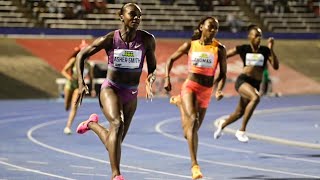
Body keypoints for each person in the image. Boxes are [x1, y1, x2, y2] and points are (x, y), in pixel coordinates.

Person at [74, 3, 157, 180]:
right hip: (111, 88)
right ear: (121, 16)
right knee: (117, 124)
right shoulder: (111, 39)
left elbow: (152, 66)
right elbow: (81, 55)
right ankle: (116, 175)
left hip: (131, 93)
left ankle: (91, 124)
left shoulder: (147, 40)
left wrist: (150, 78)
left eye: (139, 16)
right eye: (132, 14)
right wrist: (81, 83)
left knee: (115, 142)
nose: (136, 18)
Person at [164, 16, 227, 179]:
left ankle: (179, 104)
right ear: (201, 28)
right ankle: (195, 166)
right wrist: (167, 78)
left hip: (206, 91)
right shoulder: (190, 45)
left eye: (216, 28)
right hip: (190, 86)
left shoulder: (219, 49)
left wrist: (219, 90)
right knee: (192, 120)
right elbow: (170, 59)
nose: (213, 30)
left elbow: (223, 74)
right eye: (210, 27)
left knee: (190, 132)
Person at [213, 24, 279, 142]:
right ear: (250, 36)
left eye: (260, 36)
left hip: (255, 84)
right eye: (256, 35)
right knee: (255, 97)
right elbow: (225, 55)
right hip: (243, 81)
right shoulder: (244, 48)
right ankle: (241, 131)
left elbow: (275, 66)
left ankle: (222, 126)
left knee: (239, 113)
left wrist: (271, 48)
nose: (259, 38)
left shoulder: (265, 50)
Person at [61, 40, 96, 135]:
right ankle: (66, 100)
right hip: (70, 84)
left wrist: (93, 89)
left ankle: (68, 127)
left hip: (79, 86)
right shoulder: (73, 61)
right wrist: (70, 78)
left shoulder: (89, 66)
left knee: (74, 106)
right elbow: (63, 71)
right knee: (67, 106)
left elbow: (92, 79)